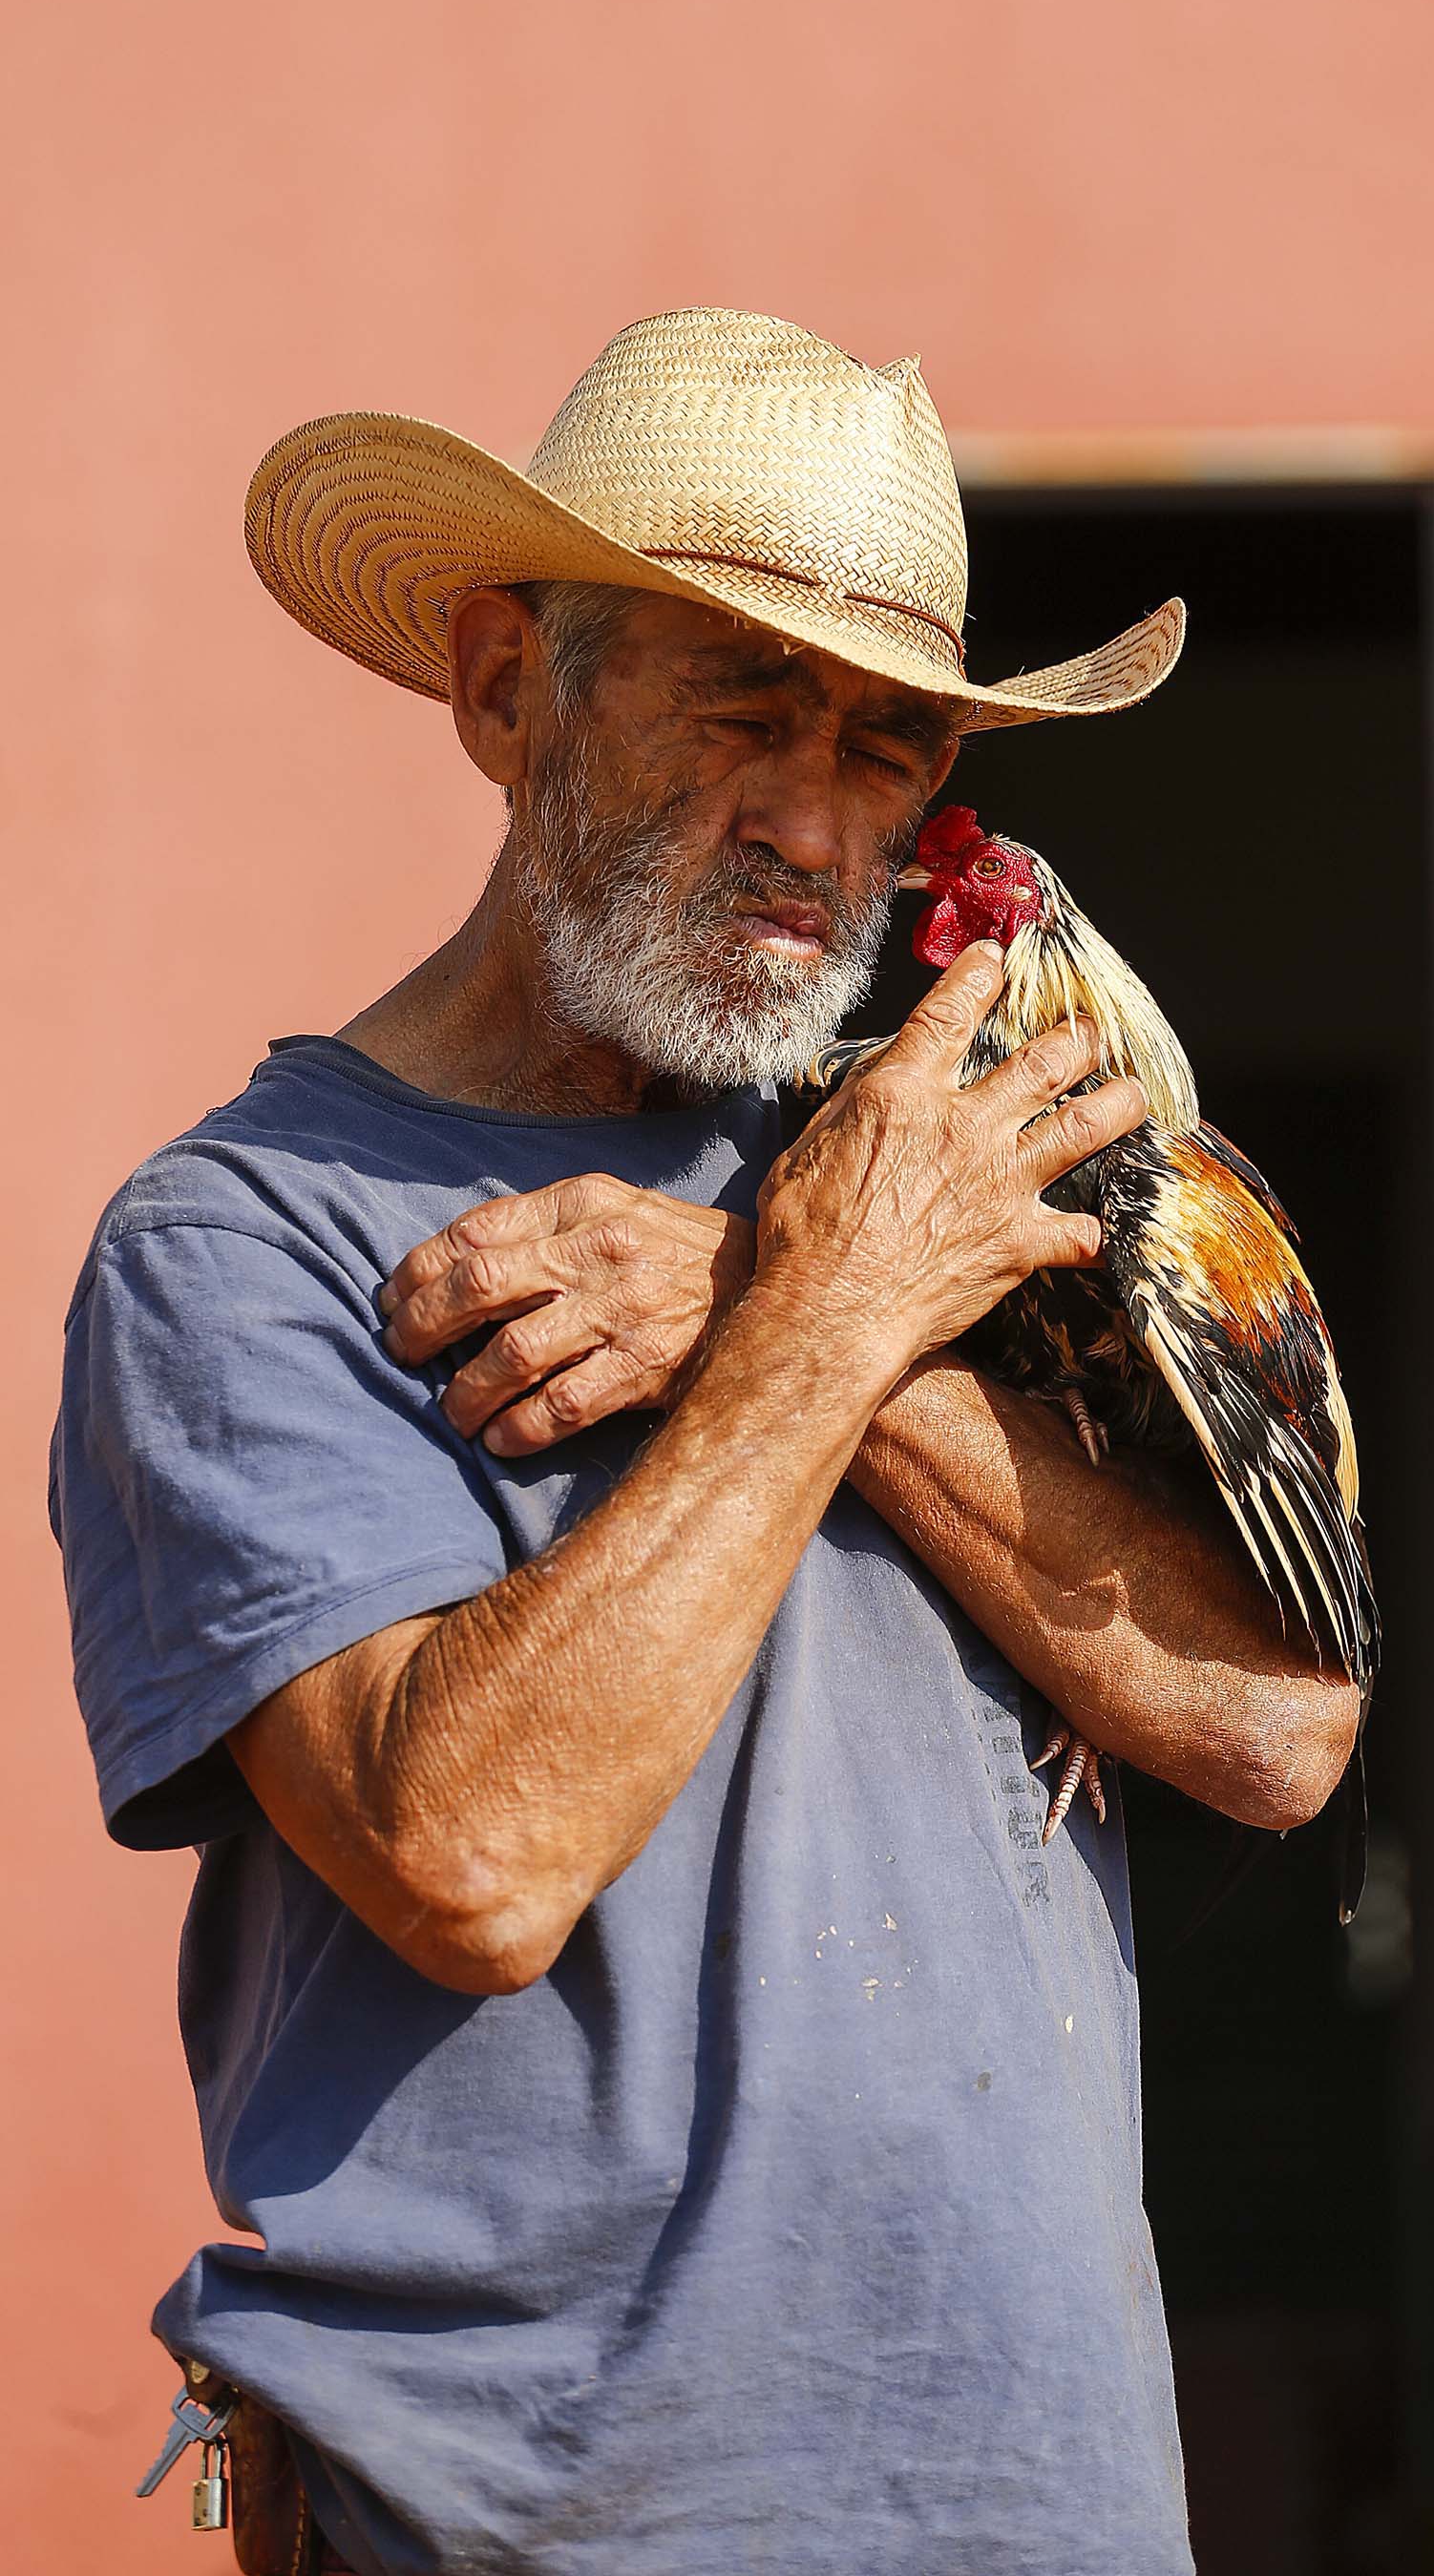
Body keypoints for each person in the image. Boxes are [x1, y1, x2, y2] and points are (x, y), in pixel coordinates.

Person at [53, 309, 1359, 2576]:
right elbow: (469, 1858)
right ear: (504, 690)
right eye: (741, 711)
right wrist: (821, 1315)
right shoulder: (245, 1242)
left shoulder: (927, 1185)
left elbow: (1276, 1731)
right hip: (537, 2524)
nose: (814, 822)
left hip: (1032, 2510)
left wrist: (810, 1320)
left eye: (885, 749)